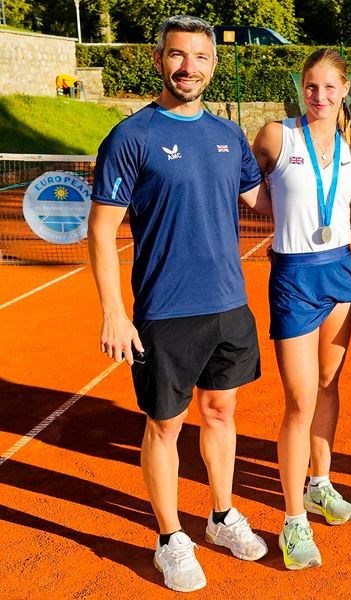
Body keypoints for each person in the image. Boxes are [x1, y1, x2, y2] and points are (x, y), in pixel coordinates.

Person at [88, 15, 269, 592]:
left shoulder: (228, 134)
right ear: (159, 59)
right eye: (176, 56)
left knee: (221, 413)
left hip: (229, 304)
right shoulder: (131, 136)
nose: (187, 68)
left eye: (199, 57)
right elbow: (100, 230)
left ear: (213, 65)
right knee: (164, 426)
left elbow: (263, 199)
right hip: (166, 311)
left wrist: (319, 158)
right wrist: (114, 311)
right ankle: (170, 538)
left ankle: (221, 515)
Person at [251, 48, 351, 570]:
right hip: (294, 274)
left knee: (328, 385)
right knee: (299, 401)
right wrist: (274, 214)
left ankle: (320, 483)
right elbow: (246, 182)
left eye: (328, 87)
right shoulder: (278, 134)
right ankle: (293, 518)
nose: (319, 96)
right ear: (303, 90)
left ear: (345, 89)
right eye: (310, 87)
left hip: (339, 269)